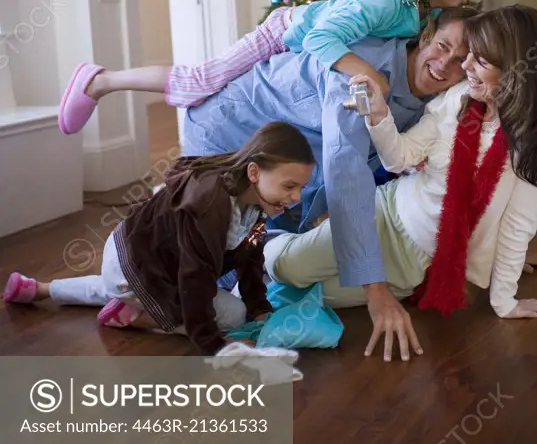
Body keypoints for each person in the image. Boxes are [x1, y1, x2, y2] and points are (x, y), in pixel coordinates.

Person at [263, 5, 537, 362]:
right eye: (468, 56)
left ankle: (288, 265)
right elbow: (399, 159)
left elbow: (517, 226)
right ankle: (268, 242)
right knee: (286, 269)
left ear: (516, 71)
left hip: (416, 264)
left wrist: (505, 300)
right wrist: (380, 117)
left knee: (309, 292)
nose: (466, 68)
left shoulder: (533, 145)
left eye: (480, 62)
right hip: (386, 214)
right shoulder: (455, 101)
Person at [183, 7, 473, 361]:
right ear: (426, 36)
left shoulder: (436, 101)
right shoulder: (361, 70)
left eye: (460, 60)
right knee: (210, 285)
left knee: (251, 274)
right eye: (442, 46)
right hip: (227, 133)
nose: (445, 64)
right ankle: (134, 276)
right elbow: (346, 173)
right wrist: (376, 292)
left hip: (287, 174)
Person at [57, 0, 479, 134]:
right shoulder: (387, 0)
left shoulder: (420, 12)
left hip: (301, 45)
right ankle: (102, 80)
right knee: (198, 84)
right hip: (283, 32)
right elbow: (319, 38)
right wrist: (364, 73)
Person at [3, 123, 315, 356]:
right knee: (232, 315)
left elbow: (250, 254)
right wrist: (214, 344)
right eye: (289, 186)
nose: (295, 197)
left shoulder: (257, 203)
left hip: (130, 258)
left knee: (117, 286)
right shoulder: (210, 206)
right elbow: (194, 281)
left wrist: (259, 306)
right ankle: (138, 317)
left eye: (300, 188)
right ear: (254, 172)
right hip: (135, 269)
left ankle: (39, 290)